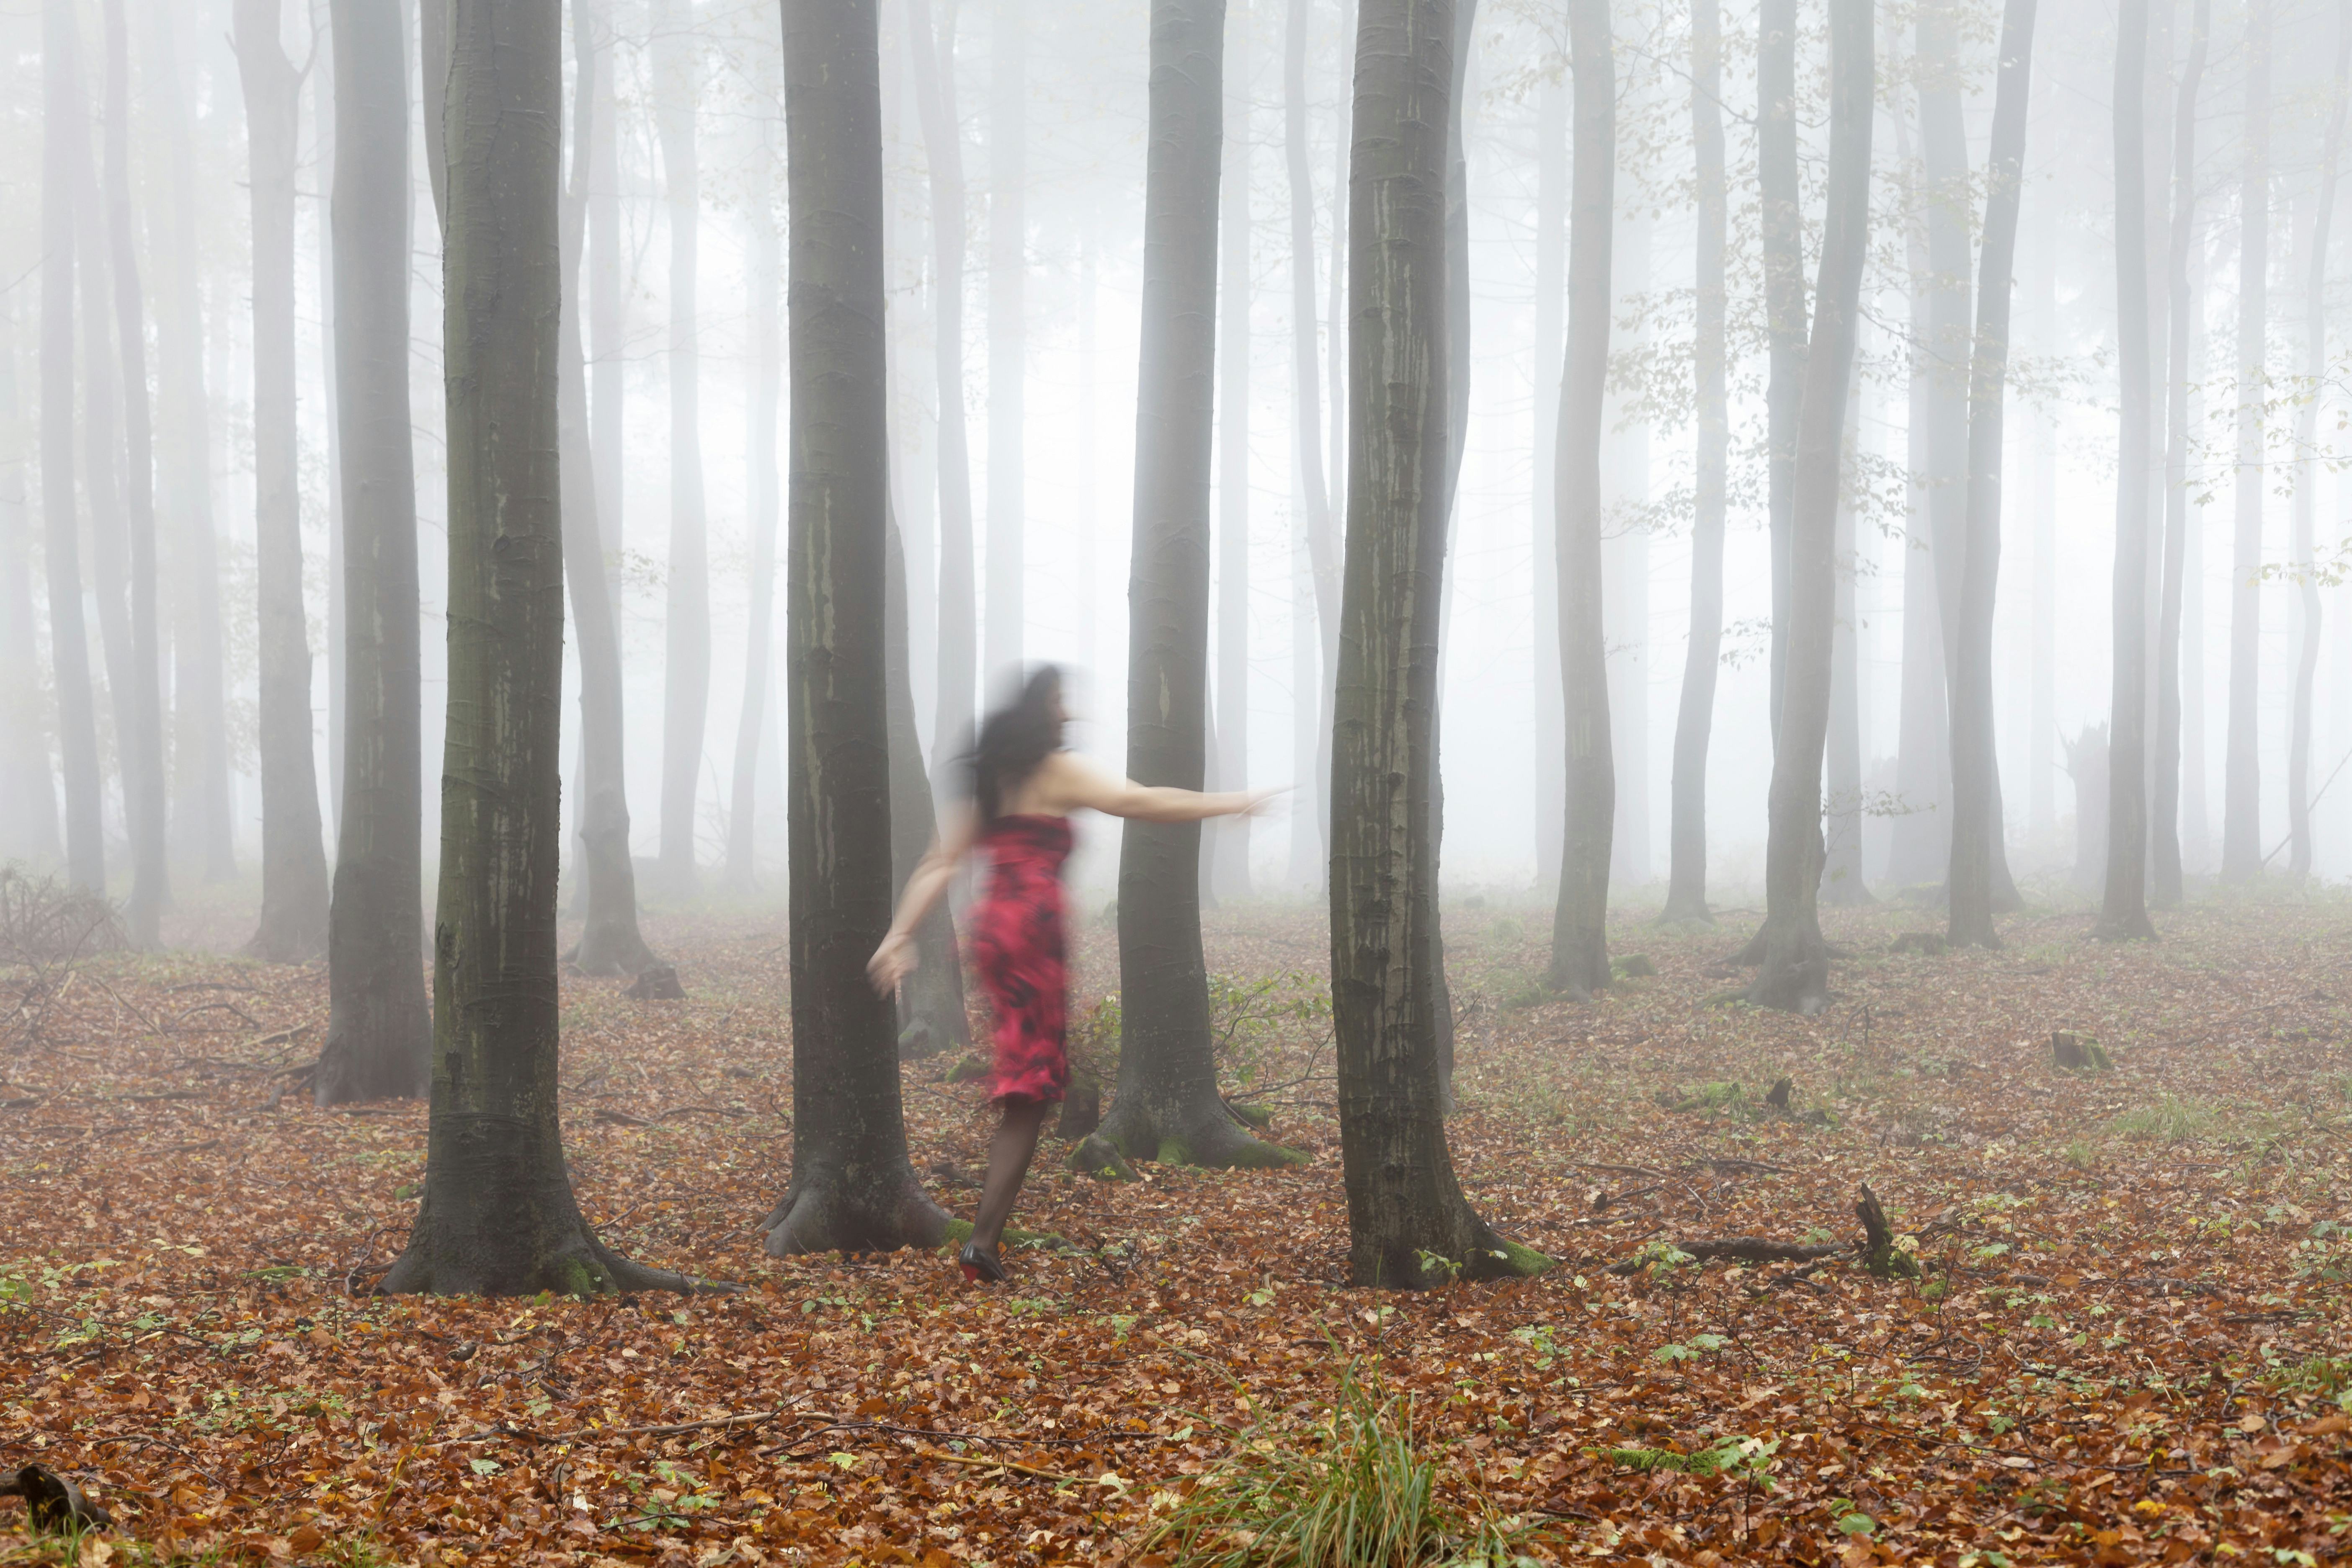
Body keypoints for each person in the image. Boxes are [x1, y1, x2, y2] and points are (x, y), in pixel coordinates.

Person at [868, 666, 1275, 1283]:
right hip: (1032, 935)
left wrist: (899, 935)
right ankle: (982, 1242)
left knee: (1029, 1086)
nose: (1070, 714)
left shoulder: (991, 781)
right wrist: (1231, 803)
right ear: (1041, 711)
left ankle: (986, 1232)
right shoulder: (1055, 771)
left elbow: (938, 863)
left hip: (996, 934)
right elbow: (1142, 801)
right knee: (1030, 1093)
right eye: (1061, 703)